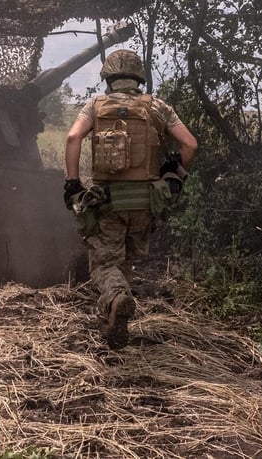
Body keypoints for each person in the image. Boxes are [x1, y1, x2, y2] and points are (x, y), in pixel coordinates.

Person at [63, 49, 197, 349]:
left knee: (104, 264)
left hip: (108, 201)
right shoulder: (158, 107)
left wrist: (72, 183)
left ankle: (115, 298)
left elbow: (73, 138)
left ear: (108, 79)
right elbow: (190, 144)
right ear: (139, 78)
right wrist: (176, 175)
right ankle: (113, 320)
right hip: (145, 202)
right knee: (124, 261)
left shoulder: (95, 106)